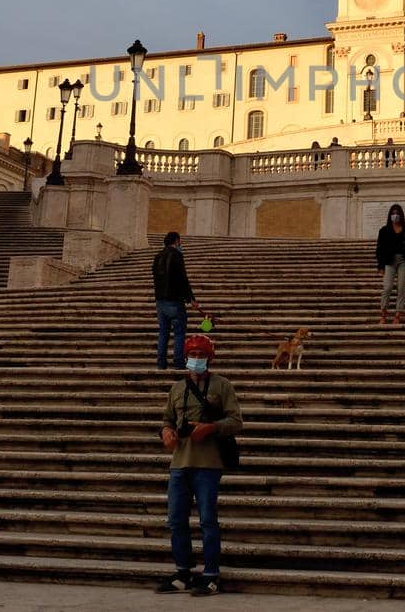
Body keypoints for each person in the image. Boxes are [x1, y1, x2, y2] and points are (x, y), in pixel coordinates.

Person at [156, 334, 243, 597]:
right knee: (176, 520)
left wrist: (212, 428)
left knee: (207, 520)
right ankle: (183, 571)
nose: (196, 360)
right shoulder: (177, 388)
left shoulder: (221, 385)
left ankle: (211, 575)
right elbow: (166, 419)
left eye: (201, 356)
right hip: (180, 463)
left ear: (210, 359)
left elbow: (236, 421)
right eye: (192, 355)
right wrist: (166, 433)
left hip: (209, 463)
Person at [153, 231, 203, 371]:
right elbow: (182, 279)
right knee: (179, 332)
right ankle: (178, 362)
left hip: (160, 301)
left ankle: (161, 363)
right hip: (174, 301)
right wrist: (191, 299)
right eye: (180, 241)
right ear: (176, 241)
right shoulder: (176, 255)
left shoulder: (157, 257)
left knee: (163, 332)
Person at [374, 203, 405, 325]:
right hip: (389, 261)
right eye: (393, 213)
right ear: (390, 215)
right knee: (387, 288)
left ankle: (398, 315)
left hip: (404, 260)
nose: (395, 215)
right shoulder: (384, 230)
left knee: (401, 288)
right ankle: (383, 314)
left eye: (397, 213)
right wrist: (380, 266)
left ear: (401, 215)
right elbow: (379, 248)